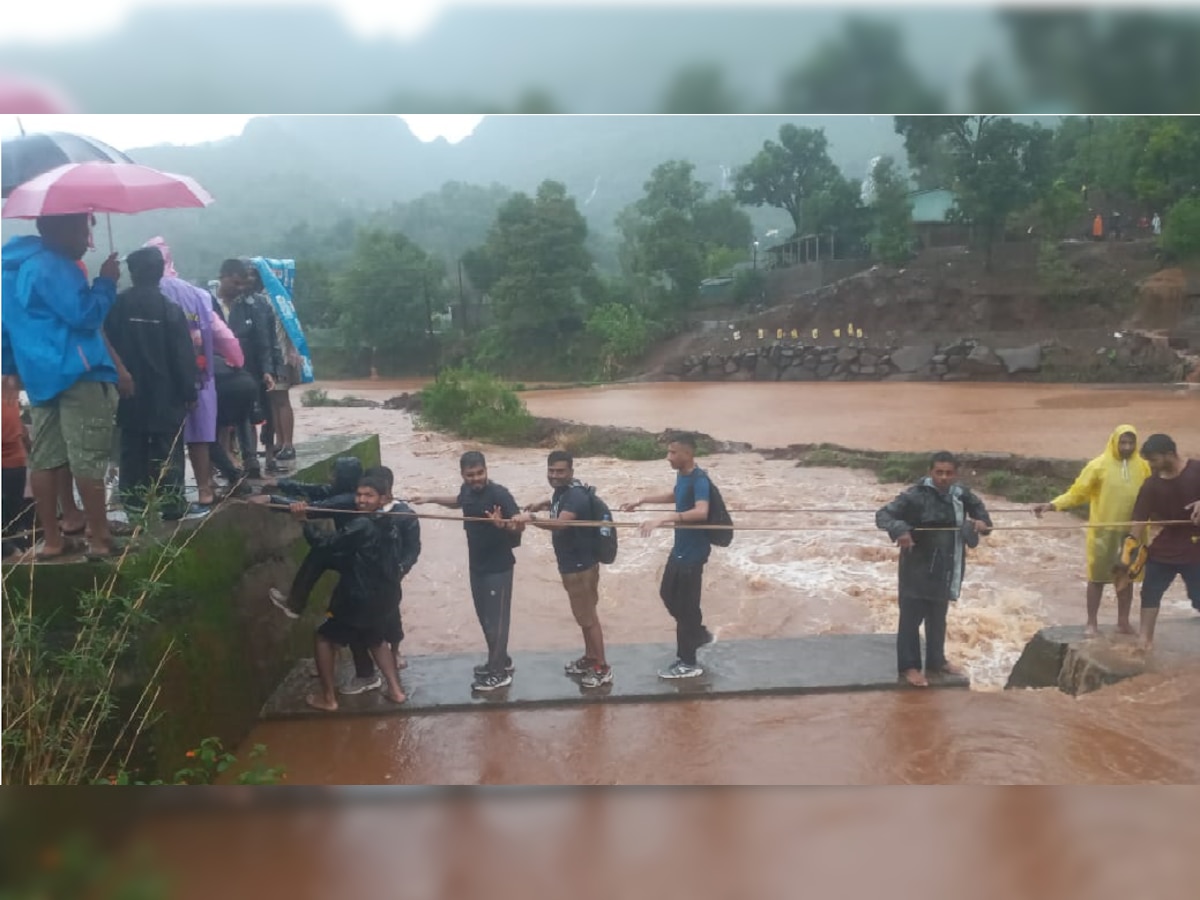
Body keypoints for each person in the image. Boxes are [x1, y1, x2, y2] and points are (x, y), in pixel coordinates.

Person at [1, 213, 122, 559]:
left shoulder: (9, 270)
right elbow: (85, 315)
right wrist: (106, 282)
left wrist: (10, 367)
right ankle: (99, 538)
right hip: (77, 371)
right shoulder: (55, 266)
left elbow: (5, 328)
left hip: (40, 377)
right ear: (61, 231)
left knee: (45, 457)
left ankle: (53, 540)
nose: (88, 241)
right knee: (87, 454)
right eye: (84, 231)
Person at [876, 451, 993, 688]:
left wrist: (982, 525)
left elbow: (984, 521)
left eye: (948, 473)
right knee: (910, 619)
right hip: (916, 568)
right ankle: (909, 667)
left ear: (955, 474)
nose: (943, 477)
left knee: (938, 618)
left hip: (946, 566)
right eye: (939, 472)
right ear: (930, 472)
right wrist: (900, 530)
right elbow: (884, 515)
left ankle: (936, 662)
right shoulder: (914, 496)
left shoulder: (961, 495)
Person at [411, 451, 524, 692]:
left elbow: (518, 523)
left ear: (486, 470)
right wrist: (429, 498)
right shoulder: (468, 491)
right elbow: (458, 501)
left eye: (479, 473)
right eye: (470, 475)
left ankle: (498, 674)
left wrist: (501, 524)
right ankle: (500, 660)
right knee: (484, 619)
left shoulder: (499, 494)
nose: (475, 479)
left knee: (497, 623)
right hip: (477, 566)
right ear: (462, 475)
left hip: (499, 568)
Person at [145, 237, 242, 511]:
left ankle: (166, 497)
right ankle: (204, 490)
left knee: (165, 438)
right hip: (199, 374)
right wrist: (236, 359)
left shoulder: (149, 292)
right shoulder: (196, 294)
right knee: (200, 436)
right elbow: (221, 333)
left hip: (161, 379)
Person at [104, 247, 199, 521]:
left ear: (132, 273)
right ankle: (172, 504)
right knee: (168, 448)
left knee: (131, 447)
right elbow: (183, 355)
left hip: (127, 389)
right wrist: (189, 391)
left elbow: (104, 340)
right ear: (160, 272)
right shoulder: (170, 309)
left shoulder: (116, 306)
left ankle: (134, 507)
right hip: (165, 392)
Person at [299, 474, 408, 712]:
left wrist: (303, 520)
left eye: (368, 495)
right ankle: (396, 691)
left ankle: (328, 698)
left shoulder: (361, 524)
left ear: (383, 498)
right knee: (376, 640)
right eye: (359, 494)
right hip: (385, 596)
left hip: (359, 597)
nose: (361, 500)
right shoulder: (389, 521)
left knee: (324, 638)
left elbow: (324, 545)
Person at [1032, 425, 1150, 636]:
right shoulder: (1098, 465)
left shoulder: (1142, 467)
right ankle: (1091, 623)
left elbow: (1154, 492)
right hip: (1103, 531)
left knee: (1127, 577)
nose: (1127, 447)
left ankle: (1123, 621)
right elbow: (1077, 492)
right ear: (1114, 442)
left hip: (1133, 531)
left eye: (1131, 443)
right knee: (1097, 578)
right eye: (1123, 442)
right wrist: (1053, 505)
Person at [621, 433, 716, 680]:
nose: (668, 457)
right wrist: (642, 500)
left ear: (687, 454)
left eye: (673, 452)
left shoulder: (700, 479)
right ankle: (697, 632)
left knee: (685, 607)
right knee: (668, 594)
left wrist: (664, 518)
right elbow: (676, 496)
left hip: (694, 554)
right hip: (680, 550)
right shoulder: (683, 477)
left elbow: (701, 511)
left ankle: (688, 662)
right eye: (668, 452)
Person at [518, 450, 612, 688]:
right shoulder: (564, 491)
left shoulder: (576, 496)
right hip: (573, 564)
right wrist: (543, 503)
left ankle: (602, 667)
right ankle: (591, 658)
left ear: (571, 471)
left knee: (588, 618)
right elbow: (560, 503)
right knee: (584, 615)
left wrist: (532, 519)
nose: (555, 475)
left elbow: (562, 523)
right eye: (551, 471)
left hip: (581, 566)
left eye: (560, 471)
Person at [1124, 434, 1200, 650]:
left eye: (1154, 460)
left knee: (1198, 596)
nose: (1151, 465)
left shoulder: (1197, 470)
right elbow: (1139, 519)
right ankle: (1144, 639)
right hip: (1168, 542)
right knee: (1150, 590)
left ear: (1169, 454)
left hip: (1196, 544)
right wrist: (1128, 549)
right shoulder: (1151, 485)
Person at [212, 258, 275, 479]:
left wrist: (267, 369)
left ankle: (250, 459)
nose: (239, 289)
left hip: (245, 369)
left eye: (243, 285)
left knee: (246, 414)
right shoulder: (204, 299)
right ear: (223, 277)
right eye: (236, 283)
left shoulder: (253, 304)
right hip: (214, 369)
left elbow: (263, 339)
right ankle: (221, 461)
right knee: (215, 417)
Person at [241, 263, 283, 474]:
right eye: (245, 275)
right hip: (239, 368)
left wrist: (273, 367)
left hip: (263, 367)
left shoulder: (262, 304)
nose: (249, 279)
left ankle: (269, 456)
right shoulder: (232, 304)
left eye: (252, 275)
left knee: (268, 413)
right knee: (244, 415)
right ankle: (249, 458)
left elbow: (271, 339)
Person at [2, 383, 35, 557]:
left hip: (15, 458)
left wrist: (24, 434)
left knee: (14, 519)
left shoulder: (8, 372)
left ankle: (16, 549)